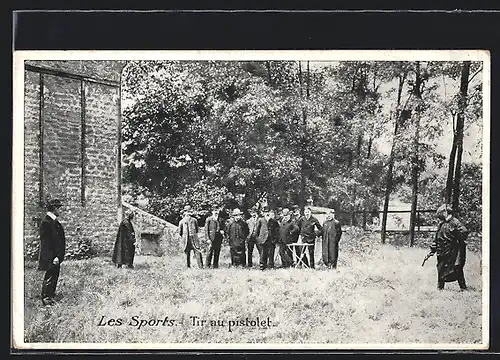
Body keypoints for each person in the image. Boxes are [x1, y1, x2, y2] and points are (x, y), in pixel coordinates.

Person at [425, 204, 468, 290]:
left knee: (456, 269)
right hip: (442, 251)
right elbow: (437, 238)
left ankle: (463, 288)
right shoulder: (442, 224)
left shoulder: (455, 222)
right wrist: (433, 249)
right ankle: (440, 288)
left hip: (452, 252)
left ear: (446, 213)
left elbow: (464, 232)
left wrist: (457, 241)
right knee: (440, 269)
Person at [38, 198, 66, 306]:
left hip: (55, 256)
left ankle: (51, 295)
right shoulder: (47, 222)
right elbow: (47, 243)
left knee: (54, 275)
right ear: (54, 208)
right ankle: (46, 297)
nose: (60, 210)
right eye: (59, 208)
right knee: (50, 275)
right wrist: (54, 256)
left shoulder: (53, 221)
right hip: (51, 256)